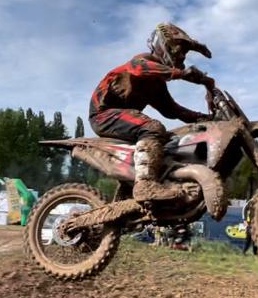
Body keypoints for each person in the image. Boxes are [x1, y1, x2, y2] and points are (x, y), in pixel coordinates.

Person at [88, 23, 215, 202]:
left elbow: (172, 110)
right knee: (153, 128)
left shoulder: (156, 85)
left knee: (173, 139)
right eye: (178, 50)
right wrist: (182, 73)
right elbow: (139, 68)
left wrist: (204, 117)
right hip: (103, 114)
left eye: (184, 53)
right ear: (164, 45)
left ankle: (132, 190)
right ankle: (145, 185)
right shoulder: (142, 61)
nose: (181, 56)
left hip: (121, 120)